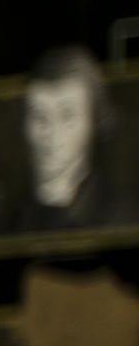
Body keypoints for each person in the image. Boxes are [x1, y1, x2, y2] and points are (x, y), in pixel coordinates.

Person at [16, 46, 135, 232]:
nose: (50, 131)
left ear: (94, 122)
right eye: (38, 115)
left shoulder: (124, 215)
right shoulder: (14, 219)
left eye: (67, 115)